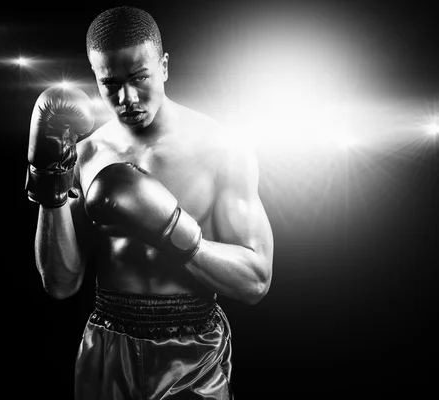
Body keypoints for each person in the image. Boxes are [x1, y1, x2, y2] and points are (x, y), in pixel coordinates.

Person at [25, 5, 274, 399]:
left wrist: (171, 229)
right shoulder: (86, 155)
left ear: (164, 66)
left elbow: (256, 280)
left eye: (140, 77)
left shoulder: (221, 148)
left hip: (193, 352)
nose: (127, 97)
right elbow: (60, 283)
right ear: (95, 77)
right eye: (110, 84)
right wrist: (49, 181)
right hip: (107, 347)